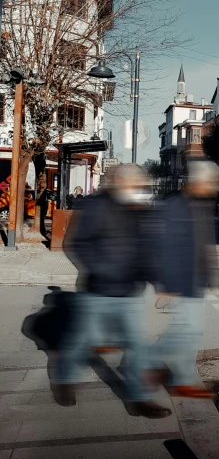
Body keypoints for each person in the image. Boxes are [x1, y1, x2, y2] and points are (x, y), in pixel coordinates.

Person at [55, 164, 171, 418]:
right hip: (96, 291)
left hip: (129, 292)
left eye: (139, 184)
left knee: (139, 344)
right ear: (119, 182)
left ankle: (139, 398)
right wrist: (103, 270)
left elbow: (147, 250)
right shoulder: (95, 206)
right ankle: (65, 379)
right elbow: (75, 243)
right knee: (82, 342)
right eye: (133, 183)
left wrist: (158, 281)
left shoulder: (140, 211)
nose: (136, 189)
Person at [149, 158, 219, 398]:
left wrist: (212, 275)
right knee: (185, 330)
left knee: (192, 330)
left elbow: (205, 243)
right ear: (200, 181)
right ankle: (150, 362)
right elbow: (163, 245)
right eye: (211, 182)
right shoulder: (176, 205)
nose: (214, 186)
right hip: (181, 278)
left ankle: (183, 379)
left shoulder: (201, 204)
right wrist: (164, 283)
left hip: (196, 278)